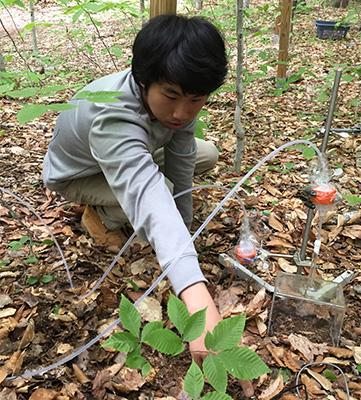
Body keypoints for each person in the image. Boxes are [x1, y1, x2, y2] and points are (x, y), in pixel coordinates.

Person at [43, 13, 234, 375]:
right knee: (156, 191)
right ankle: (98, 215)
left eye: (196, 99)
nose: (182, 112)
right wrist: (194, 293)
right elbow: (149, 194)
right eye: (171, 96)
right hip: (77, 176)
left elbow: (182, 157)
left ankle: (126, 209)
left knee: (205, 154)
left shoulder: (179, 97)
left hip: (134, 150)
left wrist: (186, 225)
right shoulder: (113, 112)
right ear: (144, 80)